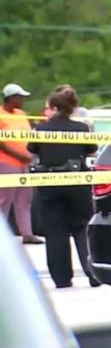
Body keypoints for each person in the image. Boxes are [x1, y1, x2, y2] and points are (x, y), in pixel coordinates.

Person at [27, 86, 99, 288]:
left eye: (47, 108)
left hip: (50, 183)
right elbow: (91, 152)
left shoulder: (41, 130)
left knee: (55, 231)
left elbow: (31, 150)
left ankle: (61, 278)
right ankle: (93, 272)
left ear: (56, 108)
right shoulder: (82, 128)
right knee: (82, 227)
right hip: (77, 182)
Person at [0, 83, 43, 244]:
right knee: (4, 199)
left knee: (24, 198)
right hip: (6, 162)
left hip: (24, 162)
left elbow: (30, 135)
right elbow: (1, 142)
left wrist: (30, 154)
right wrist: (19, 154)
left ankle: (27, 233)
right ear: (11, 98)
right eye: (20, 97)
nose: (22, 100)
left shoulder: (21, 114)